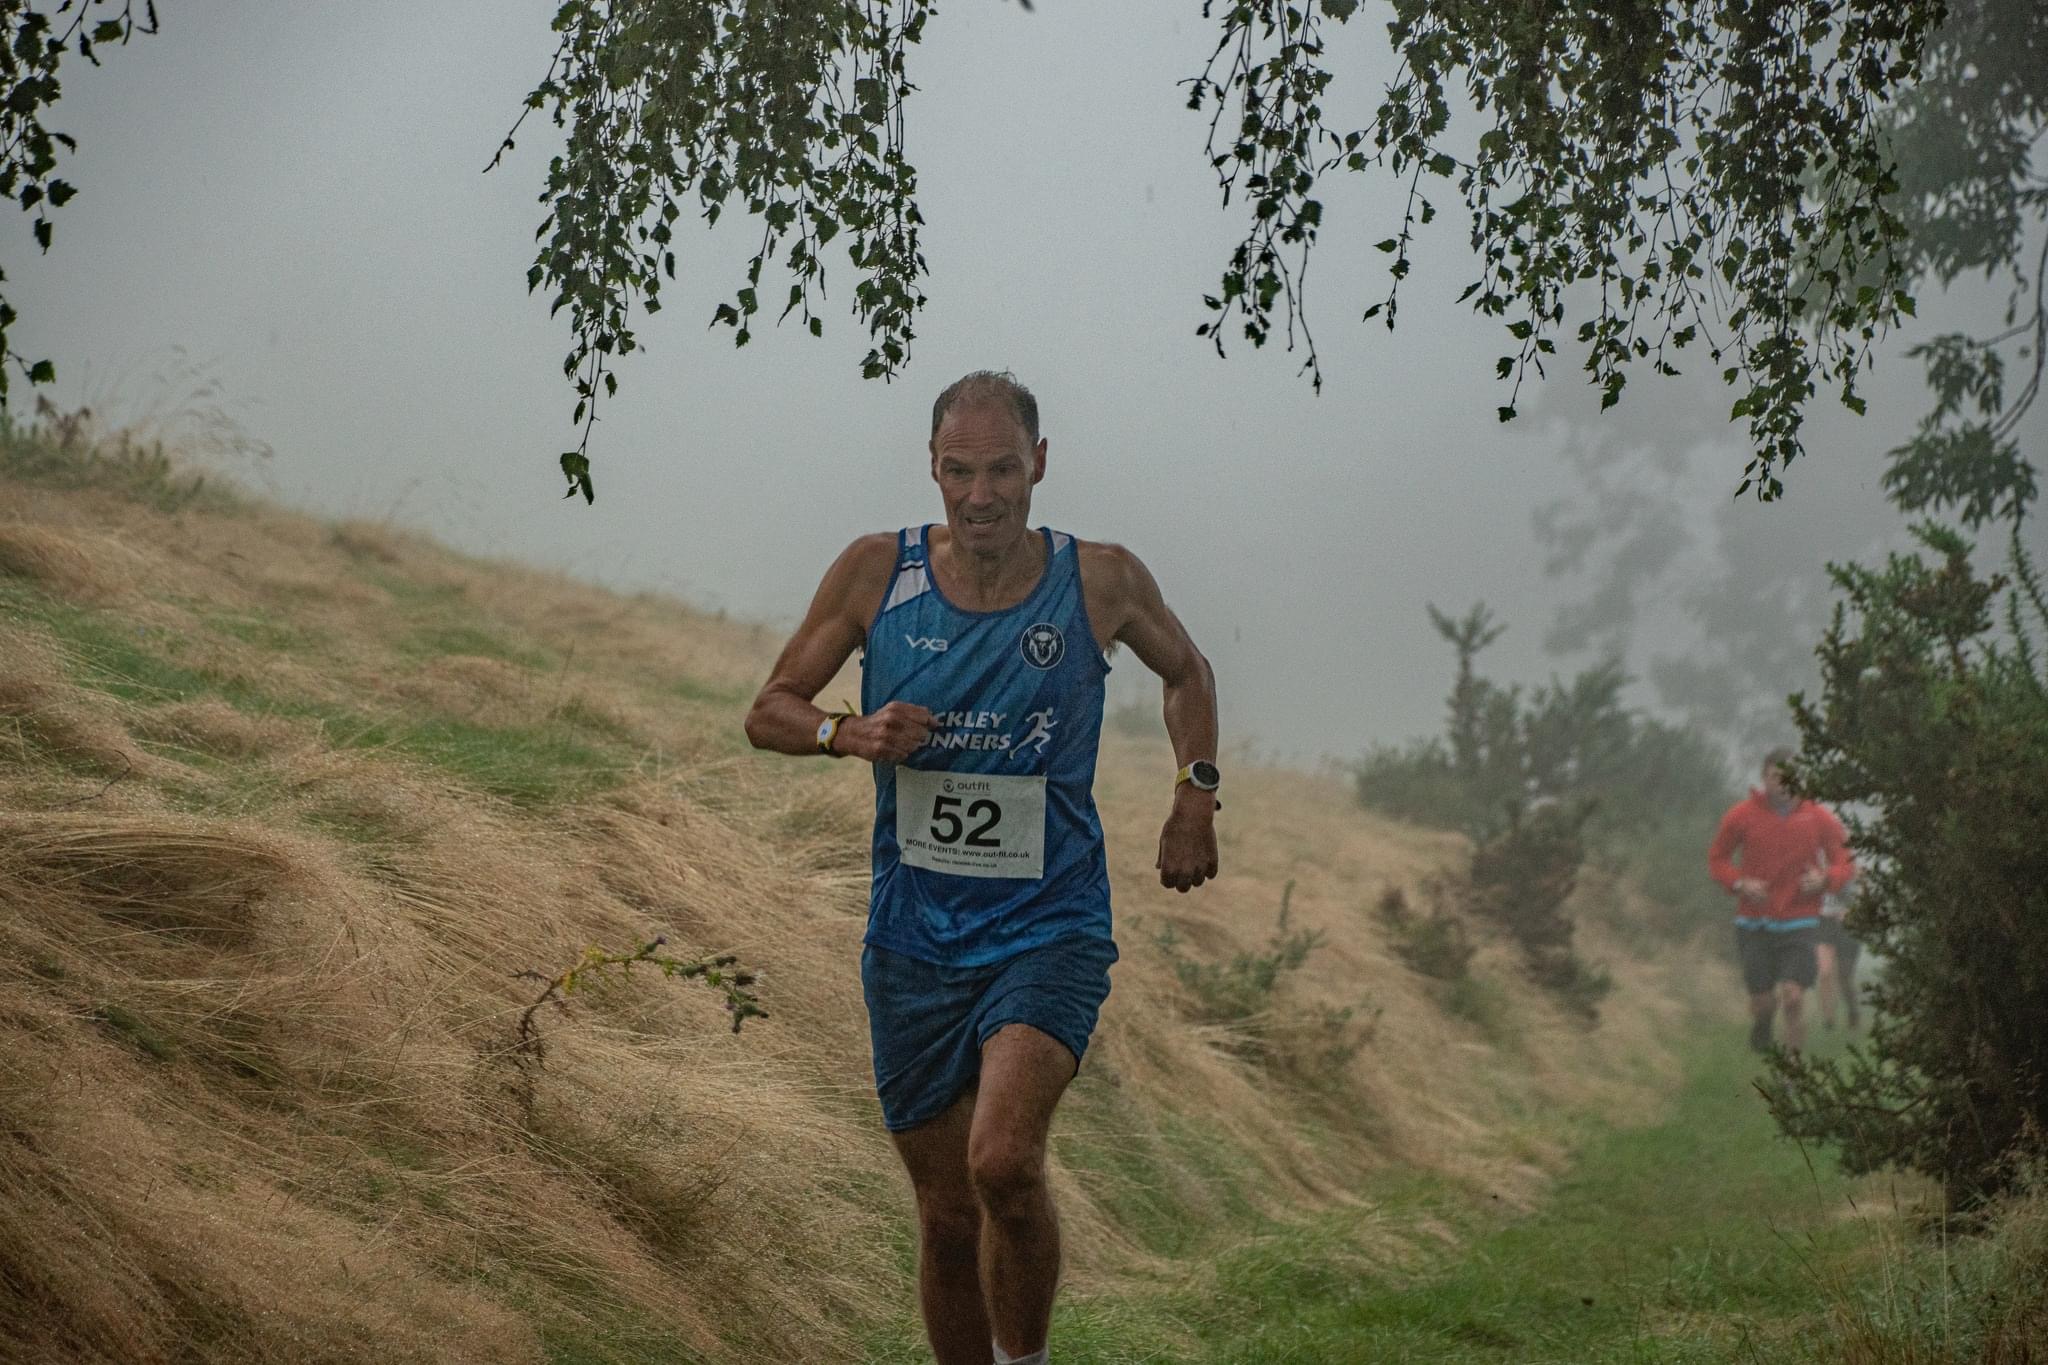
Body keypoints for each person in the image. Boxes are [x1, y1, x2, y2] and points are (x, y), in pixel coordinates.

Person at [743, 371, 1221, 1365]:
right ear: (932, 469)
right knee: (947, 1214)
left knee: (1002, 1162)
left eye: (1001, 469)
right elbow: (771, 707)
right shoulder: (878, 573)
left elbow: (1186, 672)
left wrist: (1194, 794)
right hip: (912, 940)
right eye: (958, 471)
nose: (980, 494)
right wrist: (849, 731)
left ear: (1038, 465)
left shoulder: (1098, 580)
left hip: (1050, 929)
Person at [1707, 748, 1855, 1055]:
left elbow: (1844, 861)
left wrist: (1826, 879)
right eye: (1776, 776)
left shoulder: (1817, 817)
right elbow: (1717, 859)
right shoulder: (1741, 815)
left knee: (1793, 996)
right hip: (1754, 921)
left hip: (1801, 919)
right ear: (1764, 779)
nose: (1782, 783)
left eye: (1790, 777)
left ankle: (1792, 1076)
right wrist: (1740, 883)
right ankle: (1763, 1021)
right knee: (1763, 1001)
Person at [1815, 876, 1865, 1031]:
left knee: (1844, 977)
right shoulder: (1815, 862)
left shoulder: (1854, 868)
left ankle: (1852, 1010)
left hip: (1848, 925)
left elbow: (1865, 897)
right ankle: (1828, 1020)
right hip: (1824, 922)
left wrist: (1852, 910)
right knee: (1825, 972)